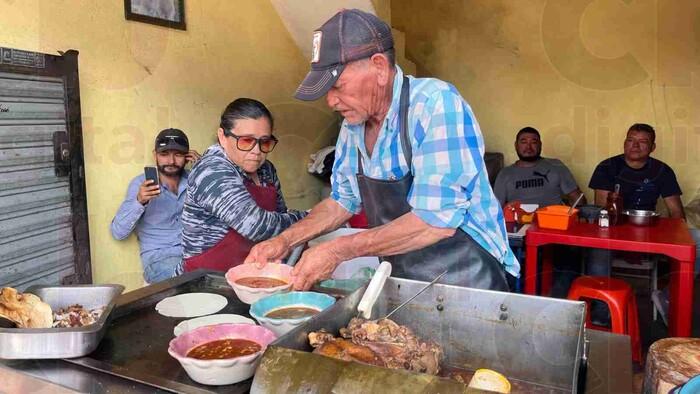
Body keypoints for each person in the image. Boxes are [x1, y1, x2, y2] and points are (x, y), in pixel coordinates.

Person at [245, 9, 519, 292]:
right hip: (402, 282)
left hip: (467, 280)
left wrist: (337, 250)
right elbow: (342, 200)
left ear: (378, 67)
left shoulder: (435, 104)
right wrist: (284, 240)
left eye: (337, 85)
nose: (330, 100)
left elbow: (436, 222)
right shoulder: (353, 125)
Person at [178, 98, 307, 273]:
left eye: (265, 142)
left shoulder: (266, 170)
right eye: (247, 141)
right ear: (223, 137)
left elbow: (280, 217)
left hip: (255, 270)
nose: (257, 151)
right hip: (205, 278)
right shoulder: (211, 170)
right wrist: (312, 218)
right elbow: (255, 225)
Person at [587, 123, 685, 325]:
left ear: (653, 147)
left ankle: (667, 296)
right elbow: (603, 210)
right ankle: (602, 308)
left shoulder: (662, 170)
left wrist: (677, 238)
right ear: (624, 143)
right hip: (613, 232)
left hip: (651, 231)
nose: (635, 146)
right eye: (631, 140)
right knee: (598, 249)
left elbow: (676, 212)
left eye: (643, 142)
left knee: (698, 241)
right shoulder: (607, 167)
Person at [110, 128, 200, 284]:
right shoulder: (141, 184)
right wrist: (140, 201)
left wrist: (205, 169)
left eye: (177, 154)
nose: (171, 161)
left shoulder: (195, 179)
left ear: (187, 156)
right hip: (160, 259)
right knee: (191, 279)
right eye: (164, 154)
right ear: (155, 155)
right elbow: (118, 233)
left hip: (195, 254)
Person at [494, 127, 586, 207]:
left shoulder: (556, 166)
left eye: (533, 142)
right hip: (518, 224)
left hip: (552, 222)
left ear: (540, 145)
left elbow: (578, 199)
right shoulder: (505, 173)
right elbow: (496, 209)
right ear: (516, 146)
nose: (528, 147)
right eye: (524, 142)